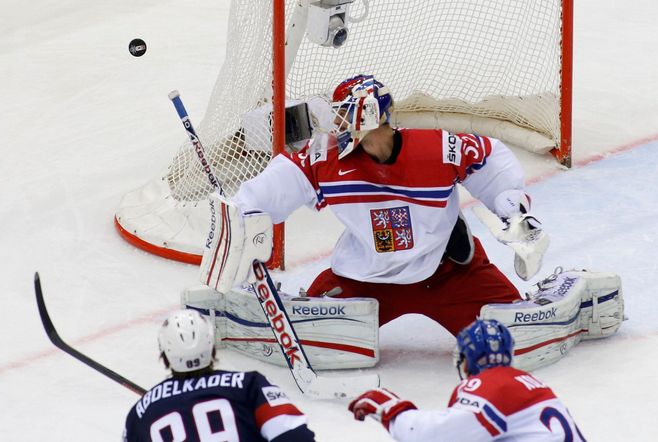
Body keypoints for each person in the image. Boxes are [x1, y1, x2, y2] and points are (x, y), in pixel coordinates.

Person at [206, 74, 542, 336]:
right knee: (304, 332)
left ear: (367, 115)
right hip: (365, 279)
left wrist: (511, 205)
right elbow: (274, 188)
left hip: (449, 273)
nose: (335, 122)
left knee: (518, 331)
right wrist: (240, 214)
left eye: (343, 113)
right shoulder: (326, 159)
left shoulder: (437, 148)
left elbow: (488, 157)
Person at [348, 319, 587, 441]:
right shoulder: (527, 381)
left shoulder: (489, 386)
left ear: (466, 359)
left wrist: (389, 407)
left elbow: (428, 437)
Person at [122, 309, 315, 442]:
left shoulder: (141, 412)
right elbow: (295, 437)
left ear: (164, 354)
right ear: (211, 346)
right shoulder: (247, 386)